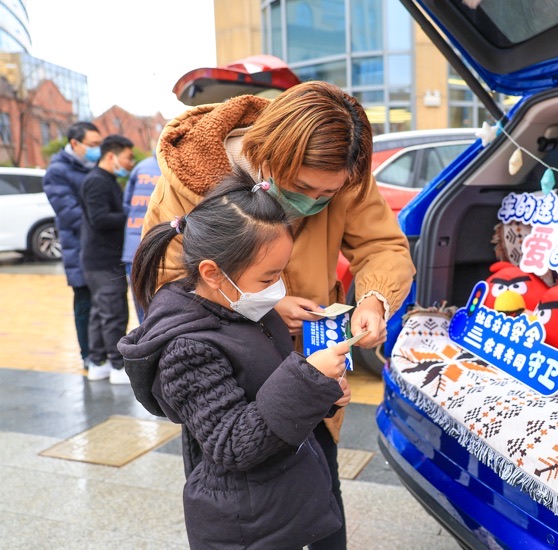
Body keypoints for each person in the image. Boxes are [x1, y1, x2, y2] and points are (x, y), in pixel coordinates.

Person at [143, 80, 416, 549]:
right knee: (248, 506)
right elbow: (165, 280)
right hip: (231, 388)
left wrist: (373, 299)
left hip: (311, 374)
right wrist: (268, 301)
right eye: (304, 188)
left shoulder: (343, 170)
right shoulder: (190, 180)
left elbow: (382, 246)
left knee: (319, 499)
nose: (314, 202)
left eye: (329, 194)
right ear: (266, 154)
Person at [118, 169, 351, 548]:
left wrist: (322, 391)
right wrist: (307, 379)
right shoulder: (186, 350)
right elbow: (232, 442)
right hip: (246, 525)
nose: (276, 289)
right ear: (213, 273)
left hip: (279, 502)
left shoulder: (244, 307)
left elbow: (269, 390)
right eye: (267, 278)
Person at [42, 121, 103, 370]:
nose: (97, 150)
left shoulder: (93, 166)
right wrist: (103, 223)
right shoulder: (57, 171)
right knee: (85, 300)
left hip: (100, 247)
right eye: (93, 145)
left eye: (100, 144)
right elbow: (70, 214)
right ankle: (87, 353)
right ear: (75, 144)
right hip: (78, 247)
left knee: (104, 302)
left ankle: (103, 350)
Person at [79, 135, 135, 384]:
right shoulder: (97, 182)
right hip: (101, 259)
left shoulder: (106, 180)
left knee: (101, 312)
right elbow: (99, 218)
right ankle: (116, 365)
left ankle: (98, 362)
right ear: (111, 156)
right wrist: (130, 215)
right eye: (128, 157)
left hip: (101, 257)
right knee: (113, 312)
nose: (131, 162)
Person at [121, 153, 161, 324]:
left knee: (142, 309)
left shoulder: (140, 167)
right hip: (163, 248)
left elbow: (126, 206)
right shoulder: (180, 165)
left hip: (133, 248)